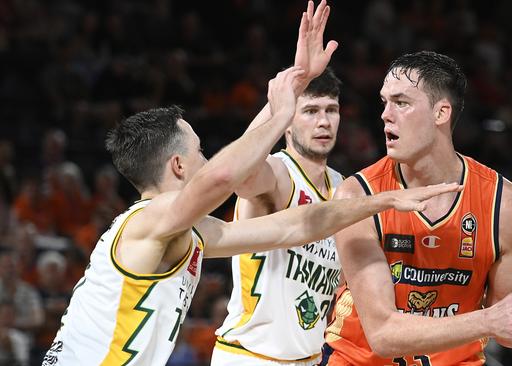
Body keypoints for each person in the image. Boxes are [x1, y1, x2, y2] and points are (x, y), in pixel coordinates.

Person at [41, 3, 462, 364]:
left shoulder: (191, 233)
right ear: (179, 167)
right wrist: (281, 114)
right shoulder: (149, 220)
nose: (208, 159)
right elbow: (225, 175)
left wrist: (385, 198)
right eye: (200, 152)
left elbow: (297, 226)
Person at [323, 51, 512, 366]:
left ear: (441, 113)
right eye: (384, 102)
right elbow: (383, 335)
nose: (385, 114)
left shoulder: (505, 205)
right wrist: (488, 321)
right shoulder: (357, 196)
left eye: (402, 103)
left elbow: (506, 325)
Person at [213, 67, 343, 365]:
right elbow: (239, 176)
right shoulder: (278, 173)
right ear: (285, 123)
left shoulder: (342, 187)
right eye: (310, 111)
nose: (323, 121)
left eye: (331, 110)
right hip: (252, 356)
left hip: (311, 357)